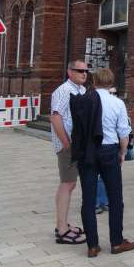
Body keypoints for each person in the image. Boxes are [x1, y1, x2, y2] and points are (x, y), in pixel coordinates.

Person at [75, 68, 134, 258]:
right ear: (111, 83)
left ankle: (92, 245)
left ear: (94, 82)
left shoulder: (83, 101)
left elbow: (74, 127)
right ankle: (116, 241)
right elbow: (124, 132)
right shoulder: (117, 103)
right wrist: (122, 151)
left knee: (88, 198)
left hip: (87, 152)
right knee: (115, 197)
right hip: (109, 150)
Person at [49, 59, 88, 245]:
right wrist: (66, 143)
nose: (84, 73)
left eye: (86, 70)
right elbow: (56, 117)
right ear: (69, 72)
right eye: (79, 70)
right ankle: (62, 229)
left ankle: (63, 224)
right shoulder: (64, 91)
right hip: (68, 146)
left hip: (77, 144)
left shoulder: (81, 90)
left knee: (70, 184)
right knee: (67, 183)